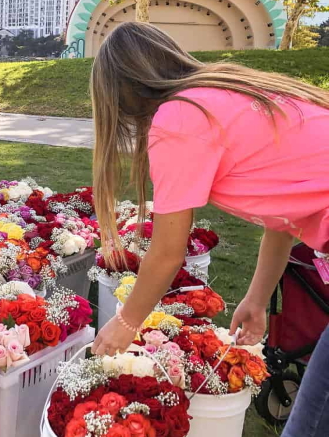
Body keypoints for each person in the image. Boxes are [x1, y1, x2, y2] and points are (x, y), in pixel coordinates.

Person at [89, 22, 329, 436]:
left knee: (311, 420)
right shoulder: (226, 92)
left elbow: (167, 253)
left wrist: (126, 323)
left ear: (120, 97)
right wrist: (256, 298)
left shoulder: (180, 117)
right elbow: (281, 218)